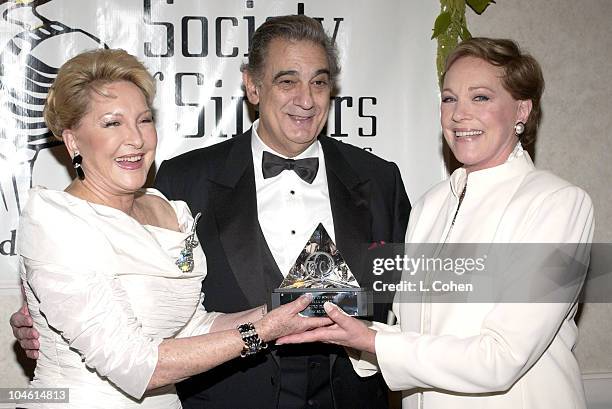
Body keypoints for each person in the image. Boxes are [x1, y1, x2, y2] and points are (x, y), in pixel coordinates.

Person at [12, 15, 410, 409]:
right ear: (252, 86)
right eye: (287, 81)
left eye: (319, 82)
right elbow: (106, 303)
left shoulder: (380, 179)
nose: (305, 100)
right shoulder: (186, 179)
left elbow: (419, 291)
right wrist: (50, 310)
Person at [278, 37, 594, 409]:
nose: (459, 114)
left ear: (522, 110)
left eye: (480, 98)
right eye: (449, 98)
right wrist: (351, 333)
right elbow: (413, 334)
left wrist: (374, 342)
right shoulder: (430, 205)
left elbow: (502, 357)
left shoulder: (558, 204)